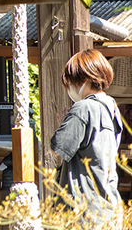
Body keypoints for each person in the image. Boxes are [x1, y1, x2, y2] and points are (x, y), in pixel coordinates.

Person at [50, 49, 123, 225]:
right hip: (107, 207)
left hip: (83, 209)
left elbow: (57, 151)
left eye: (70, 82)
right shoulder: (112, 108)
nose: (69, 88)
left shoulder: (83, 108)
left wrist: (65, 123)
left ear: (83, 79)